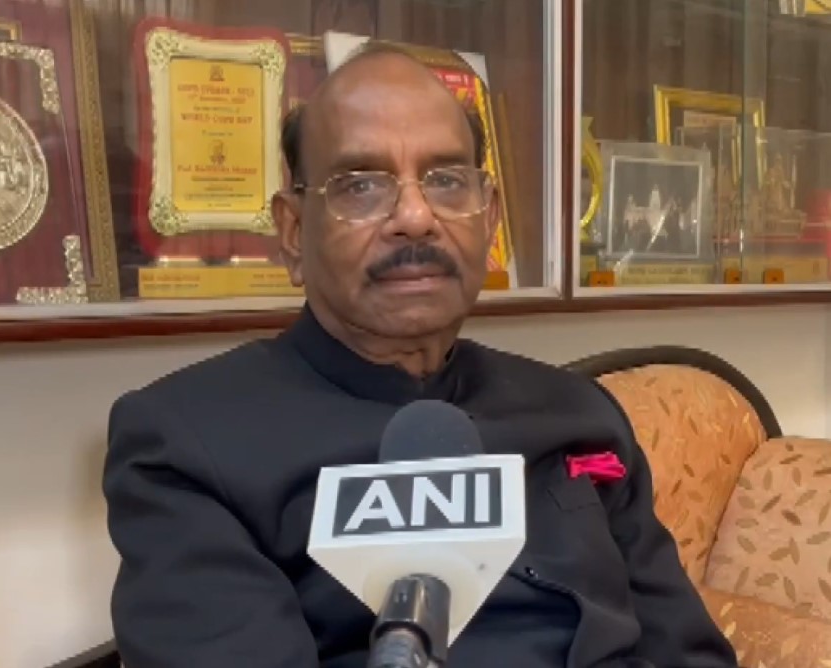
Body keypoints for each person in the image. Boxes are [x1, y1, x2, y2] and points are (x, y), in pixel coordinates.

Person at [103, 43, 738, 668]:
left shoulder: (580, 411)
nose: (415, 216)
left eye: (446, 181)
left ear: (489, 218)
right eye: (360, 185)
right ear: (293, 232)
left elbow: (692, 654)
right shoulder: (186, 445)